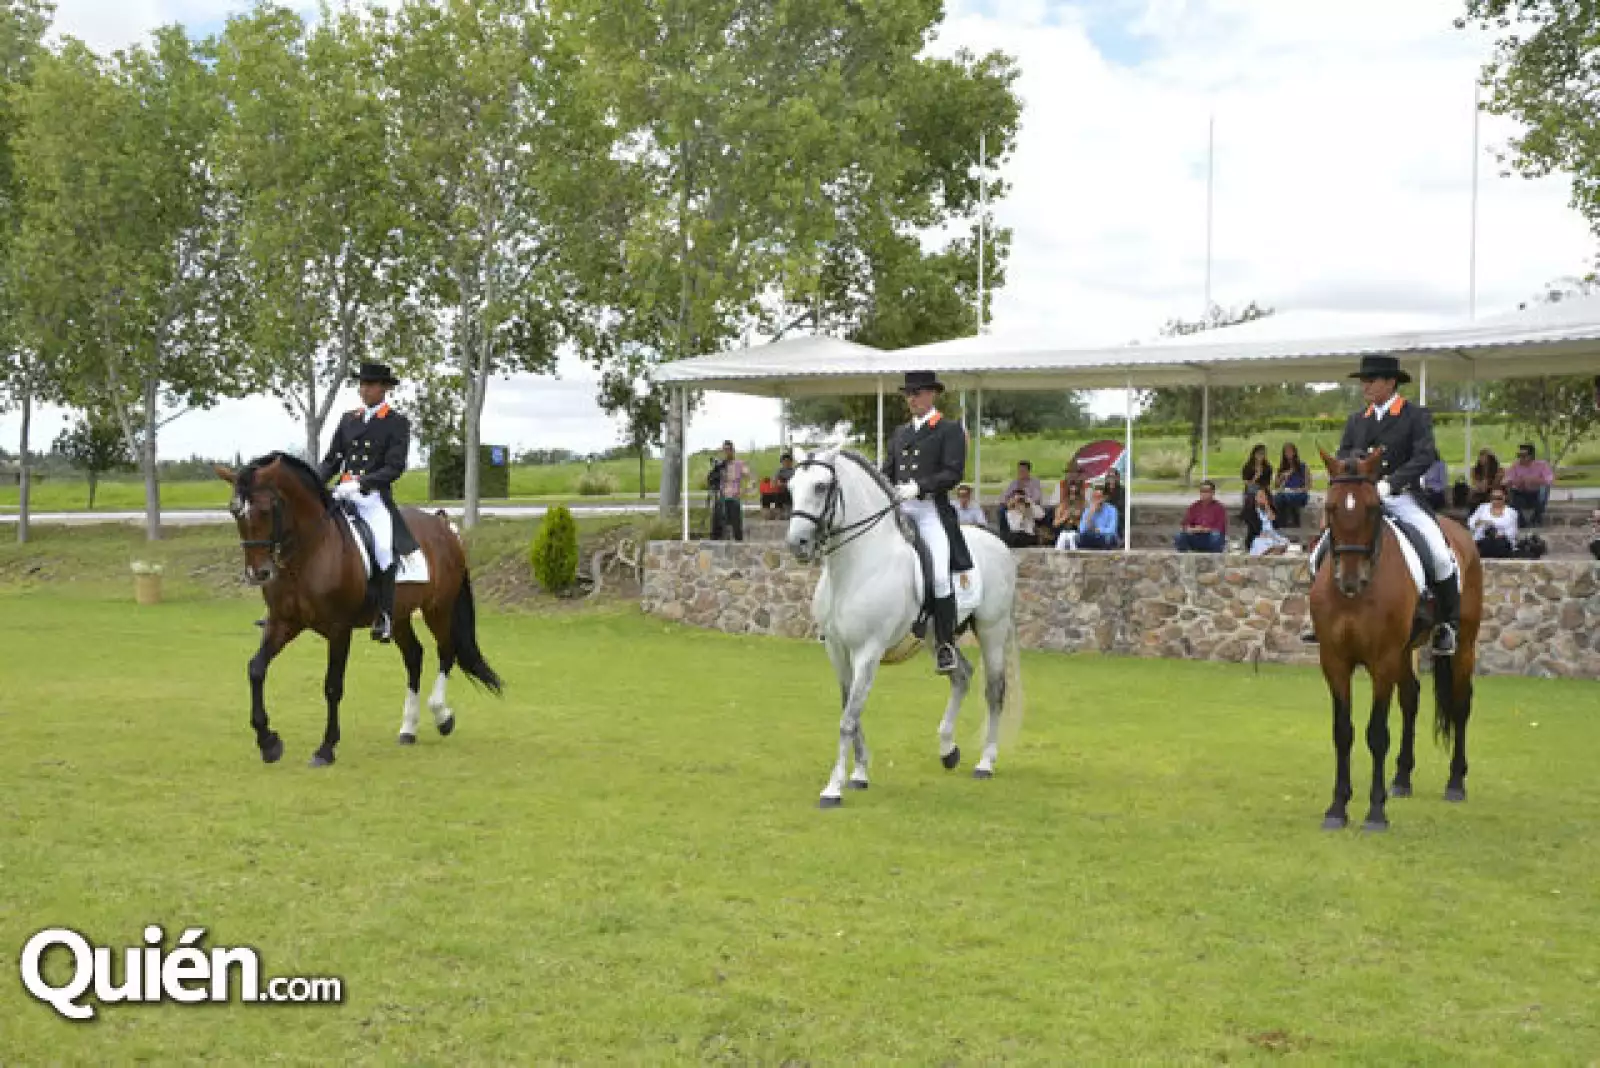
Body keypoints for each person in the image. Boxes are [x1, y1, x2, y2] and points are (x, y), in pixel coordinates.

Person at [1333, 353, 1460, 655]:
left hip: (1401, 496)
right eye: (1363, 381)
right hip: (1363, 500)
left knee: (1441, 555)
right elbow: (1342, 456)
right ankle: (1323, 615)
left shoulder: (1415, 416)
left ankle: (1447, 625)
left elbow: (1424, 455)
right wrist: (1357, 475)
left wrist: (1391, 483)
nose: (1365, 386)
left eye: (1371, 380)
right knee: (1320, 553)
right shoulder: (1356, 420)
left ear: (1390, 382)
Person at [316, 360, 418, 643]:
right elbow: (332, 459)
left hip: (372, 497)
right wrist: (315, 483)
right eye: (362, 384)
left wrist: (361, 483)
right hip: (342, 494)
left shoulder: (396, 423)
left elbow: (394, 467)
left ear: (384, 389)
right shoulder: (349, 419)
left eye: (370, 385)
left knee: (384, 548)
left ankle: (384, 615)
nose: (365, 390)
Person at [882, 371, 974, 675]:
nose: (912, 399)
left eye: (917, 393)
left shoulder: (949, 430)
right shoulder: (900, 433)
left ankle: (946, 645)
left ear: (931, 395)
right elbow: (887, 472)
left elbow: (953, 473)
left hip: (930, 508)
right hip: (900, 509)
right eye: (908, 394)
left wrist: (919, 487)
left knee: (938, 577)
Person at [708, 441, 750, 541]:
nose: (726, 452)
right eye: (724, 450)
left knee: (736, 526)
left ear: (732, 451)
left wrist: (745, 490)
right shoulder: (720, 465)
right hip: (721, 498)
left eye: (728, 450)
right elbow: (711, 480)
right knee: (717, 525)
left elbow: (751, 478)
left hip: (734, 498)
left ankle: (738, 544)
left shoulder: (739, 464)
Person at [1504, 443, 1554, 528]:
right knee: (1512, 493)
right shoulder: (1515, 466)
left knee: (1544, 488)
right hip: (1521, 493)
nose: (1520, 458)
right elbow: (1507, 480)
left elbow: (1549, 479)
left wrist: (1534, 480)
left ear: (1531, 456)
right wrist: (1517, 481)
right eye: (1519, 455)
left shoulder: (1542, 465)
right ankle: (1521, 522)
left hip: (1536, 493)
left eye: (1523, 455)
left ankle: (1536, 518)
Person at [1174, 480, 1227, 552]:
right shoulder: (1194, 506)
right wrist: (1191, 529)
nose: (1204, 494)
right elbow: (1186, 524)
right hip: (1196, 535)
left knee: (1216, 536)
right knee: (1179, 536)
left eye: (1207, 491)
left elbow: (1219, 528)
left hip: (1209, 537)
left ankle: (1214, 557)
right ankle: (1185, 558)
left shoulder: (1219, 508)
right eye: (1202, 491)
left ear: (1213, 493)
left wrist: (1204, 529)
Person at [1467, 489, 1518, 559]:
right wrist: (1481, 522)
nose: (1495, 501)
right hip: (1482, 540)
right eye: (1493, 498)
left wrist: (1499, 534)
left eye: (1499, 498)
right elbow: (1470, 523)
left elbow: (1512, 533)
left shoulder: (1511, 512)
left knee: (1498, 544)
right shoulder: (1482, 508)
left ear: (1504, 497)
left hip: (1502, 542)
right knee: (1484, 544)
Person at [1246, 487, 1291, 556]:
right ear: (1256, 498)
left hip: (1272, 534)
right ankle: (1269, 553)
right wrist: (1261, 534)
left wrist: (1267, 506)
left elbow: (1276, 523)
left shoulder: (1271, 509)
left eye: (1264, 496)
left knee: (1284, 542)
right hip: (1259, 536)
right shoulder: (1252, 511)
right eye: (1260, 496)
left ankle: (1271, 552)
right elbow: (1253, 528)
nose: (1263, 498)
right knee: (1261, 543)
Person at [1272, 443, 1310, 526]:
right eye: (1286, 452)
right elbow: (1276, 485)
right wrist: (1282, 476)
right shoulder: (1282, 467)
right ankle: (1280, 524)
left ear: (1295, 452)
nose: (1288, 453)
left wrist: (1298, 490)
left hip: (1299, 493)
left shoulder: (1303, 466)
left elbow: (1307, 486)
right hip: (1285, 493)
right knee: (1278, 498)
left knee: (1288, 498)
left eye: (1290, 451)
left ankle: (1291, 523)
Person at [1076, 485, 1120, 550]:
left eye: (1099, 497)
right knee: (1079, 538)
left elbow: (1111, 530)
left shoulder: (1112, 510)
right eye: (1094, 497)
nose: (1096, 500)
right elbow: (1082, 530)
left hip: (1105, 537)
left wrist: (1098, 530)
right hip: (1091, 536)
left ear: (1104, 498)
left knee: (1108, 539)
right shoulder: (1088, 510)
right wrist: (1090, 514)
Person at [1240, 443, 1273, 514]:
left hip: (1263, 489)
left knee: (1264, 497)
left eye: (1263, 454)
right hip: (1251, 489)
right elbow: (1247, 483)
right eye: (1259, 453)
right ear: (1254, 454)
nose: (1261, 456)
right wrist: (1256, 476)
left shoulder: (1268, 467)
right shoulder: (1248, 466)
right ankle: (1246, 517)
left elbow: (1267, 484)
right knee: (1251, 497)